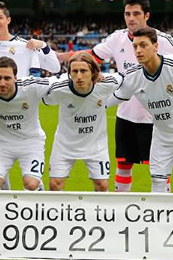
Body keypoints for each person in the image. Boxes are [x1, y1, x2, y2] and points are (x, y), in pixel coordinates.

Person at [59, 0, 173, 192]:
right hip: (126, 114)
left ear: (147, 15)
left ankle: (162, 211)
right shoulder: (117, 38)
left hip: (157, 116)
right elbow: (90, 56)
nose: (131, 18)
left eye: (136, 13)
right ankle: (120, 210)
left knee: (160, 169)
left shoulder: (163, 40)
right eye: (127, 14)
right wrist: (55, 56)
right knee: (123, 165)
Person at [111, 28, 173, 193]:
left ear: (156, 46)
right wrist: (94, 104)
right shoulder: (134, 75)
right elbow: (117, 96)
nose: (138, 50)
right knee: (157, 183)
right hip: (161, 138)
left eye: (143, 45)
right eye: (135, 46)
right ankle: (163, 218)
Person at [0, 56, 56, 191]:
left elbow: (58, 81)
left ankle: (38, 187)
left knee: (31, 184)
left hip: (30, 142)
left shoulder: (31, 86)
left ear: (16, 78)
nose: (2, 83)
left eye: (7, 78)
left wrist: (94, 78)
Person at [45, 53, 122, 192]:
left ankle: (98, 213)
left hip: (96, 145)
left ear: (93, 72)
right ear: (69, 73)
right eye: (74, 71)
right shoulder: (59, 90)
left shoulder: (107, 84)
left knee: (103, 186)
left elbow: (126, 78)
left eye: (84, 71)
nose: (79, 76)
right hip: (64, 145)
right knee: (55, 185)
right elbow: (44, 98)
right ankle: (59, 214)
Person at [0, 0, 61, 80]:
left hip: (15, 102)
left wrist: (44, 46)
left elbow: (55, 67)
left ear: (8, 20)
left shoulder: (25, 46)